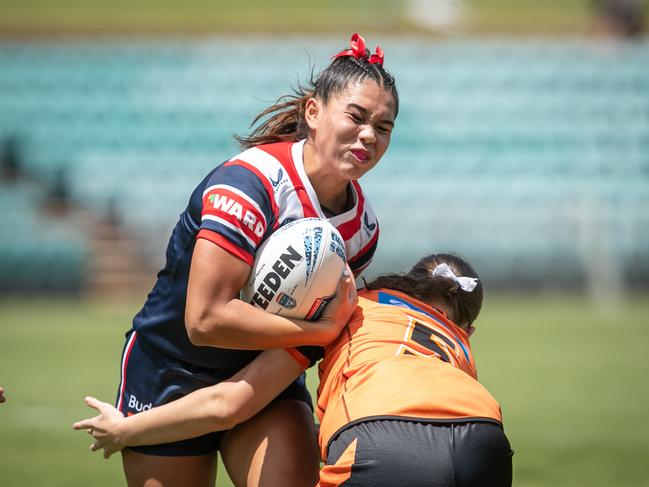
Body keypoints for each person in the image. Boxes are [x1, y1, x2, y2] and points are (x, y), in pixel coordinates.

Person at [102, 33, 398, 487]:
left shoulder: (362, 230)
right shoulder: (250, 183)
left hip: (263, 377)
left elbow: (292, 354)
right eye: (356, 117)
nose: (368, 136)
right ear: (313, 113)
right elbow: (204, 320)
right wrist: (319, 331)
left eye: (383, 127)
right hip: (169, 371)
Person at [75, 253, 513, 486]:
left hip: (383, 438)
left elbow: (229, 401)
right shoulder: (459, 347)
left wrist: (126, 431)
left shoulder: (349, 309)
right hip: (484, 438)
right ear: (468, 328)